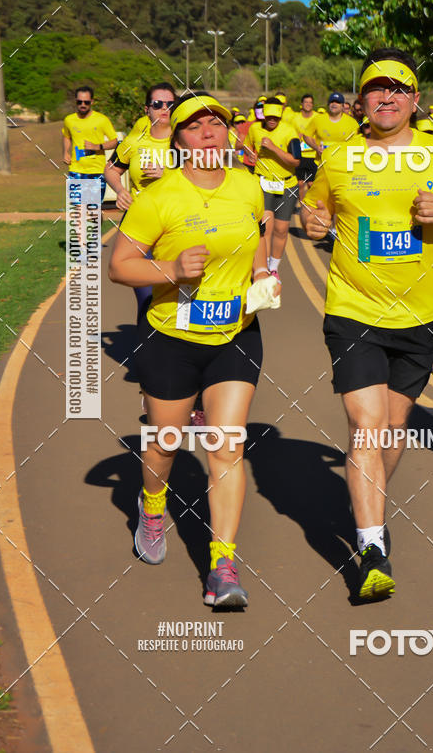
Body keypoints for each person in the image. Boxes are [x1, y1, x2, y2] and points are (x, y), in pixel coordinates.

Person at [301, 48, 433, 602]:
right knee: (367, 427)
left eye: (398, 89)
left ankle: (368, 505)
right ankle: (372, 546)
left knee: (390, 433)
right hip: (353, 311)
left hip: (419, 317)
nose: (386, 97)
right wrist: (313, 225)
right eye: (375, 89)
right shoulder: (339, 157)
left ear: (414, 100)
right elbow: (315, 217)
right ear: (361, 100)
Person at [108, 94, 279, 607]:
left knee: (225, 445)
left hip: (236, 334)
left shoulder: (249, 188)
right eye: (194, 125)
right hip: (171, 338)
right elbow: (120, 266)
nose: (208, 131)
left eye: (216, 123)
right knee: (164, 441)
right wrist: (171, 270)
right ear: (177, 139)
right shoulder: (157, 197)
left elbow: (259, 246)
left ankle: (222, 565)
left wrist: (262, 278)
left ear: (228, 135)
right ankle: (153, 506)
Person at [104, 83, 176, 319]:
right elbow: (111, 169)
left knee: (176, 294)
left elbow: (205, 174)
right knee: (145, 296)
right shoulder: (134, 142)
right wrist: (120, 190)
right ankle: (145, 350)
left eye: (170, 104)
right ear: (147, 110)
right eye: (157, 104)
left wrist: (167, 173)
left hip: (177, 223)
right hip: (139, 223)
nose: (164, 109)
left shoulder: (184, 143)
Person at [244, 97, 301, 276]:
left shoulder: (290, 131)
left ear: (281, 115)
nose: (272, 120)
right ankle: (264, 270)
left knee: (281, 230)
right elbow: (246, 146)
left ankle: (274, 267)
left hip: (287, 185)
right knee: (265, 229)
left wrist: (274, 148)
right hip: (263, 182)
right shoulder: (254, 128)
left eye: (275, 117)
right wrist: (251, 155)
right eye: (269, 116)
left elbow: (296, 160)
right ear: (264, 114)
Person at [62, 86, 118, 202]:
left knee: (92, 214)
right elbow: (66, 136)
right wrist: (65, 152)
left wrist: (96, 147)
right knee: (76, 211)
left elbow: (114, 142)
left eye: (86, 102)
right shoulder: (69, 120)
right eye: (79, 102)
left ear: (92, 102)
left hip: (96, 171)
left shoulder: (101, 120)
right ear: (75, 101)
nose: (83, 105)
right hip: (75, 170)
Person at [291, 94, 322, 199]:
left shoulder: (318, 117)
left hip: (313, 155)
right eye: (306, 102)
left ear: (313, 105)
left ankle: (312, 203)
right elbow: (290, 134)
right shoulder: (295, 119)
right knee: (299, 183)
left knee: (311, 184)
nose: (308, 104)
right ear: (301, 104)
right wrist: (296, 136)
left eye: (310, 102)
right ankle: (302, 204)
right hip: (300, 155)